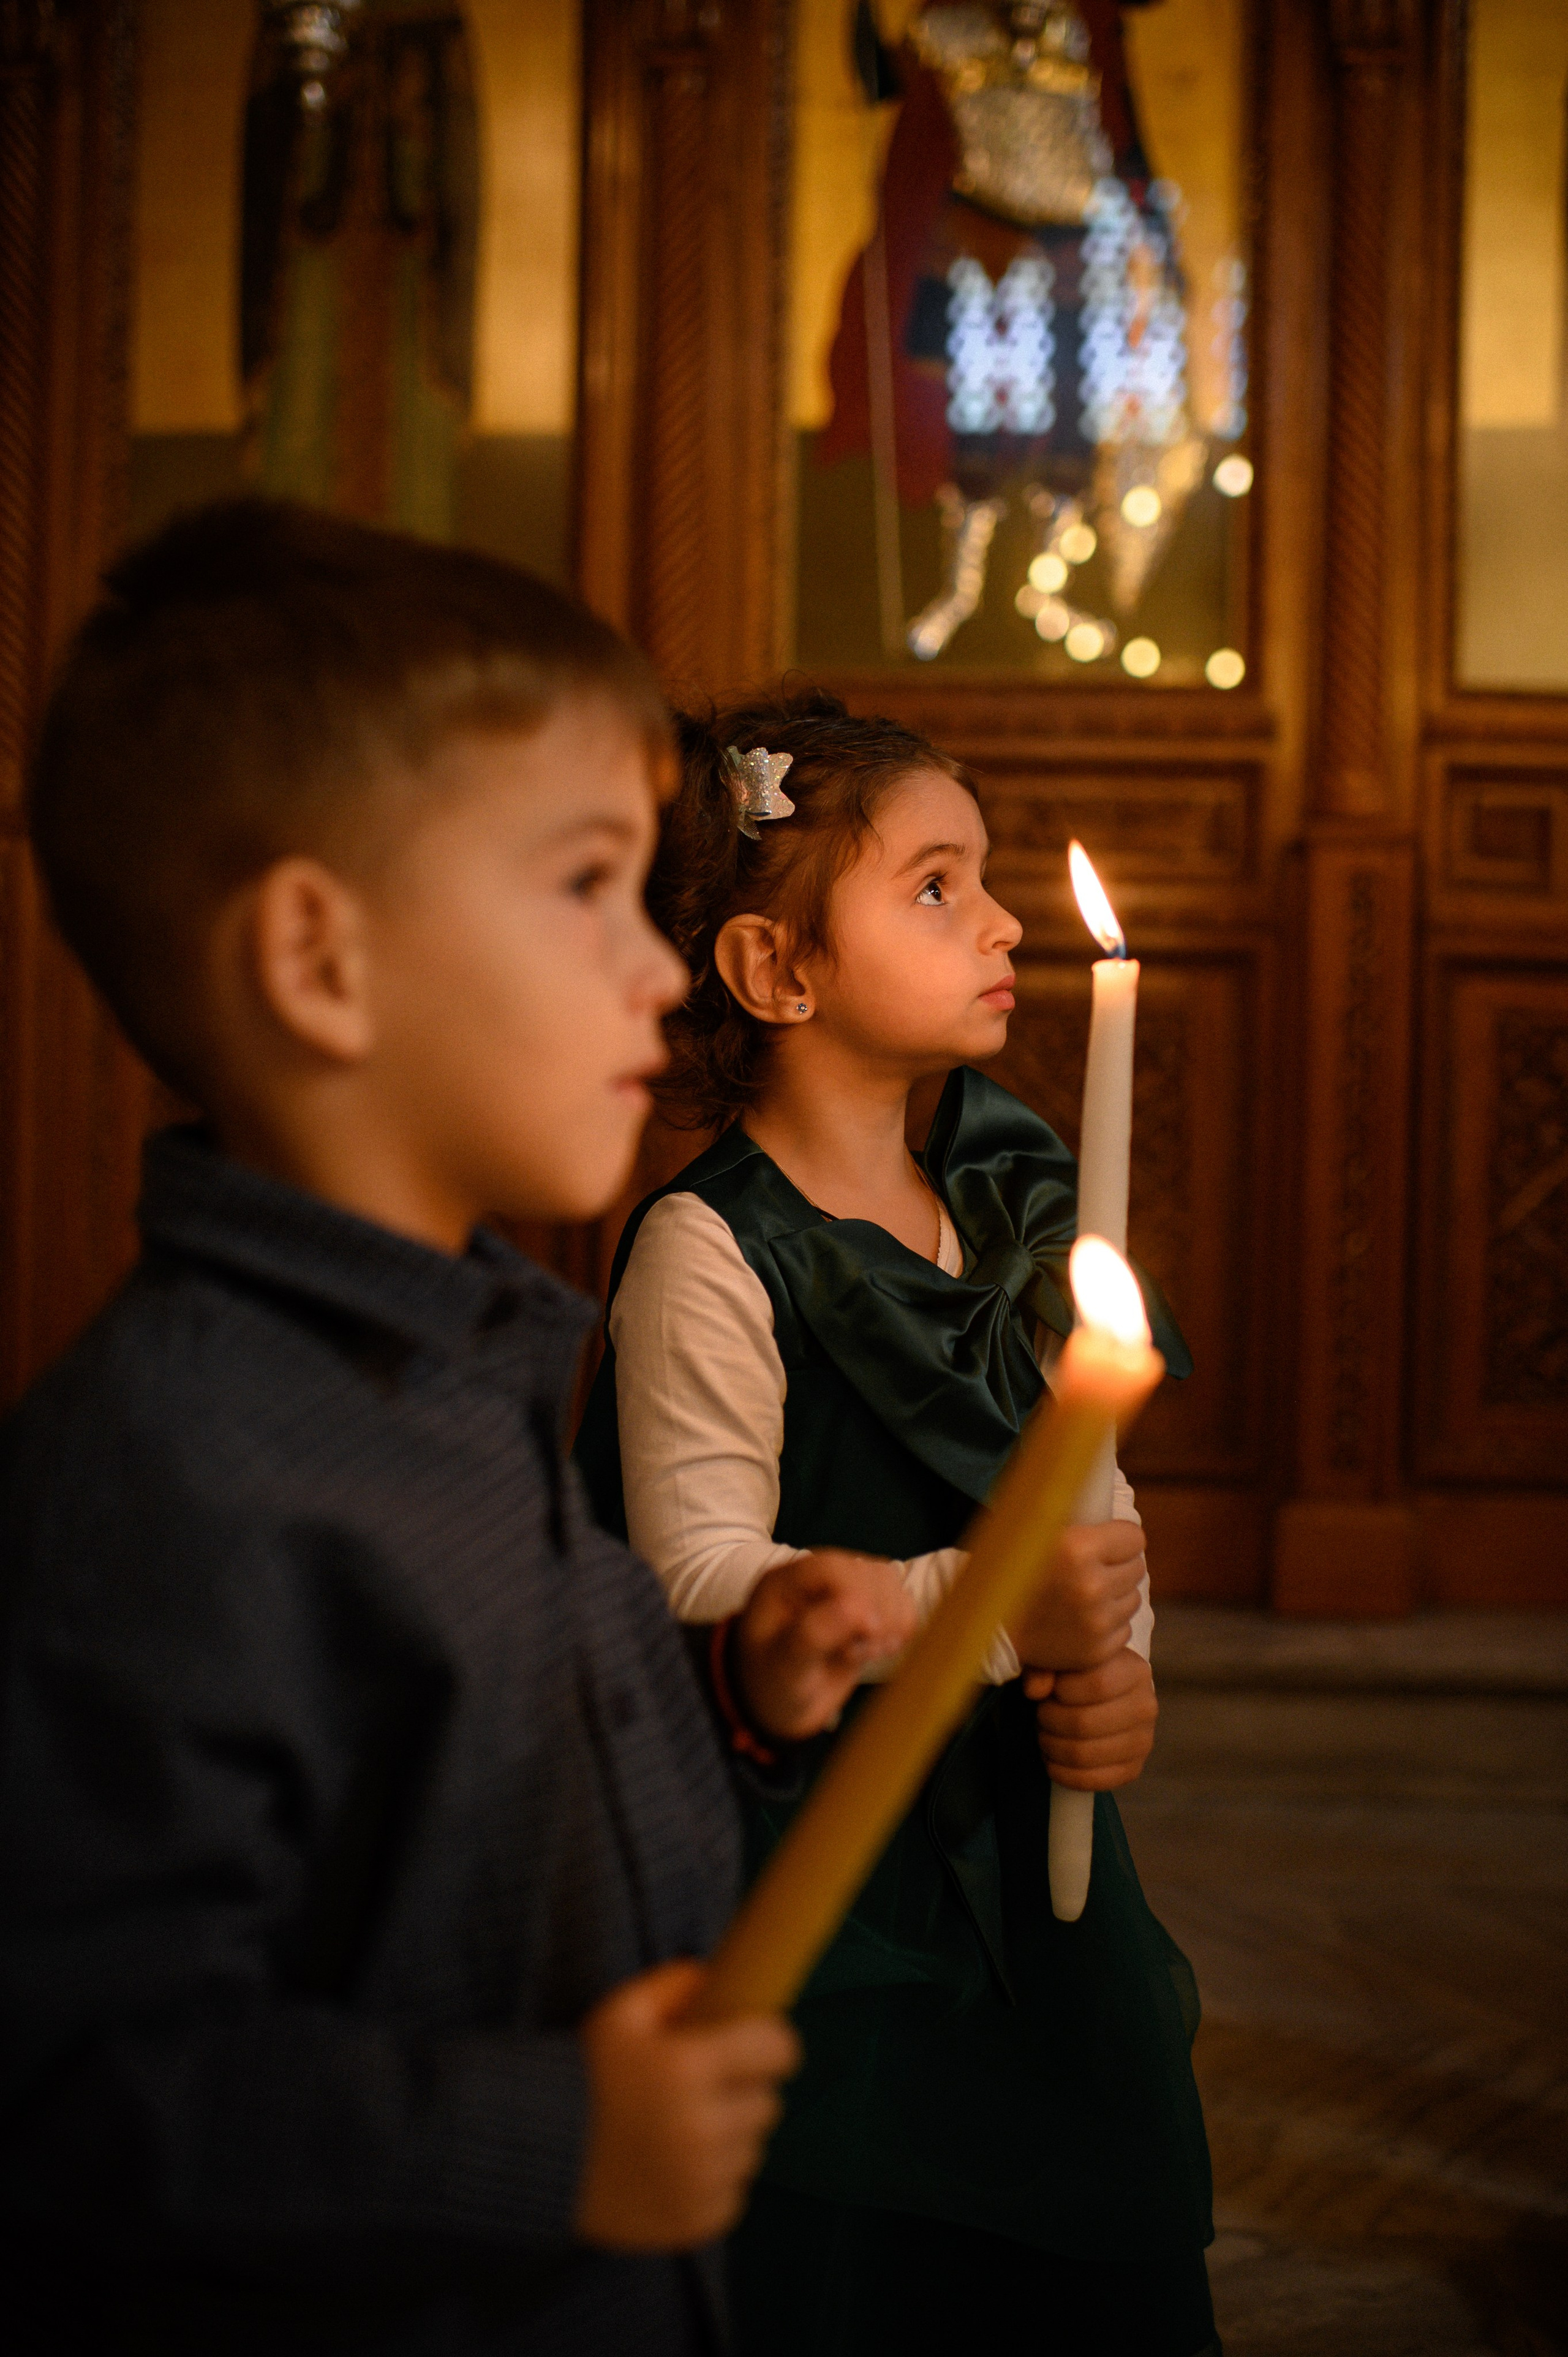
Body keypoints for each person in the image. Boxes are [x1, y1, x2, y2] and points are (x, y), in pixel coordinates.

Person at [0, 507, 918, 2356]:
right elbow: (71, 2105)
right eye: (587, 884)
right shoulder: (169, 1477)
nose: (660, 970)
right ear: (320, 960)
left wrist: (732, 1691)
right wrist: (551, 2143)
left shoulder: (462, 1362)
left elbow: (452, 1824)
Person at [575, 689, 1219, 2356]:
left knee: (1095, 2230)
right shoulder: (711, 1252)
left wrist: (1119, 1663)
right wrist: (1004, 1616)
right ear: (777, 975)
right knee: (866, 2272)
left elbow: (1094, 1494)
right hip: (831, 1869)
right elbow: (698, 1582)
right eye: (935, 887)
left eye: (988, 877)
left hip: (1029, 1848)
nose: (1000, 919)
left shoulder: (1005, 1193)